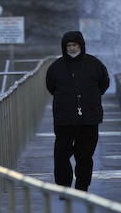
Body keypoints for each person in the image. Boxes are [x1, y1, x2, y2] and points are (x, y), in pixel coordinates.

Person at [45, 31, 110, 193]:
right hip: (64, 119)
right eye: (68, 45)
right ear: (64, 47)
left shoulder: (94, 64)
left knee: (85, 155)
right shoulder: (56, 67)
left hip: (89, 118)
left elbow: (104, 84)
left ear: (81, 45)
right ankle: (64, 188)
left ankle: (82, 188)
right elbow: (51, 86)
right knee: (61, 155)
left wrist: (90, 99)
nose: (72, 48)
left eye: (74, 45)